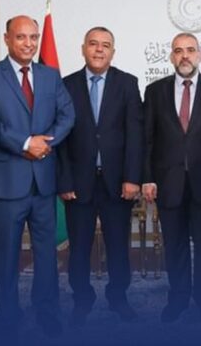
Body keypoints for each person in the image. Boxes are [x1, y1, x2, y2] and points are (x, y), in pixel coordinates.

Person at [0, 15, 75, 338]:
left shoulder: (50, 75)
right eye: (21, 37)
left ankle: (47, 311)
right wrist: (25, 143)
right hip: (7, 182)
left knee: (46, 254)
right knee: (6, 255)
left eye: (34, 37)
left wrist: (46, 143)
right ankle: (8, 315)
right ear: (7, 39)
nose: (29, 43)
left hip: (44, 181)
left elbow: (67, 114)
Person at [142, 32, 201, 324]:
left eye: (190, 50)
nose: (185, 55)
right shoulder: (154, 91)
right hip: (168, 184)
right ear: (171, 56)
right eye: (179, 50)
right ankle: (178, 299)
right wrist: (147, 177)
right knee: (175, 246)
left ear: (200, 54)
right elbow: (147, 140)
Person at [58, 26, 143, 327]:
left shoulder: (128, 83)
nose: (98, 50)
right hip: (77, 184)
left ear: (113, 52)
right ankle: (82, 300)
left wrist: (132, 178)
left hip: (117, 183)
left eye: (105, 45)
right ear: (83, 49)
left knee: (118, 247)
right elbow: (60, 137)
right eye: (93, 44)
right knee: (79, 248)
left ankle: (118, 298)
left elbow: (135, 134)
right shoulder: (65, 85)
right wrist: (64, 180)